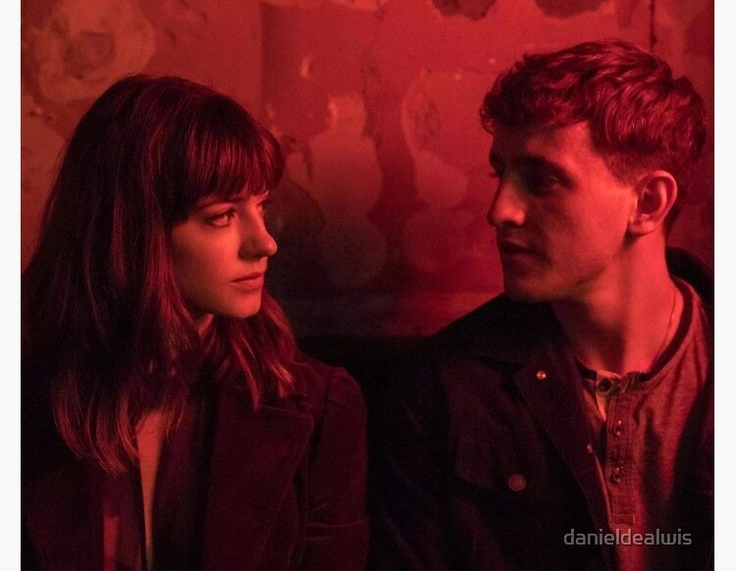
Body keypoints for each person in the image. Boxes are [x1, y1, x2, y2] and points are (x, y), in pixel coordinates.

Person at [372, 39, 712, 570]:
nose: (499, 210)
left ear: (647, 203)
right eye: (500, 174)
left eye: (542, 180)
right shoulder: (441, 391)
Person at [22, 75, 368, 571]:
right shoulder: (27, 394)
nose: (264, 242)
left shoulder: (320, 407)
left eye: (261, 205)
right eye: (222, 216)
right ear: (134, 232)